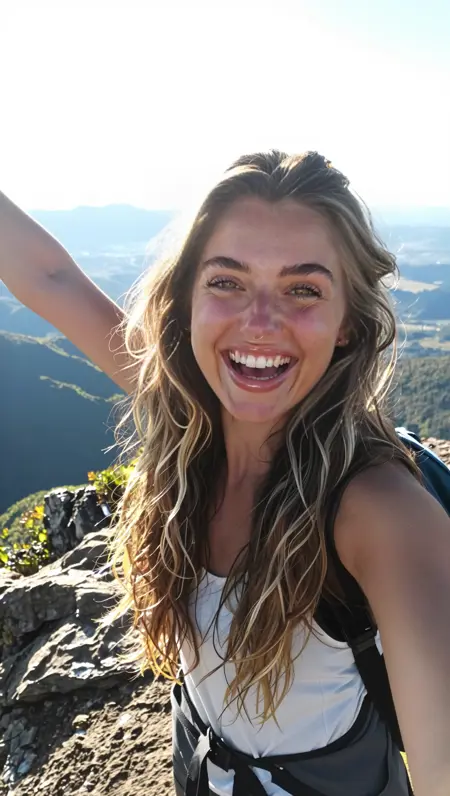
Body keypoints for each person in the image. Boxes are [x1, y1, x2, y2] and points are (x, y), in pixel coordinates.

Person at [1, 150, 449, 796]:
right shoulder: (188, 416)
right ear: (186, 301)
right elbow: (50, 277)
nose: (259, 322)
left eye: (303, 289)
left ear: (348, 324)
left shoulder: (376, 509)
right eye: (226, 282)